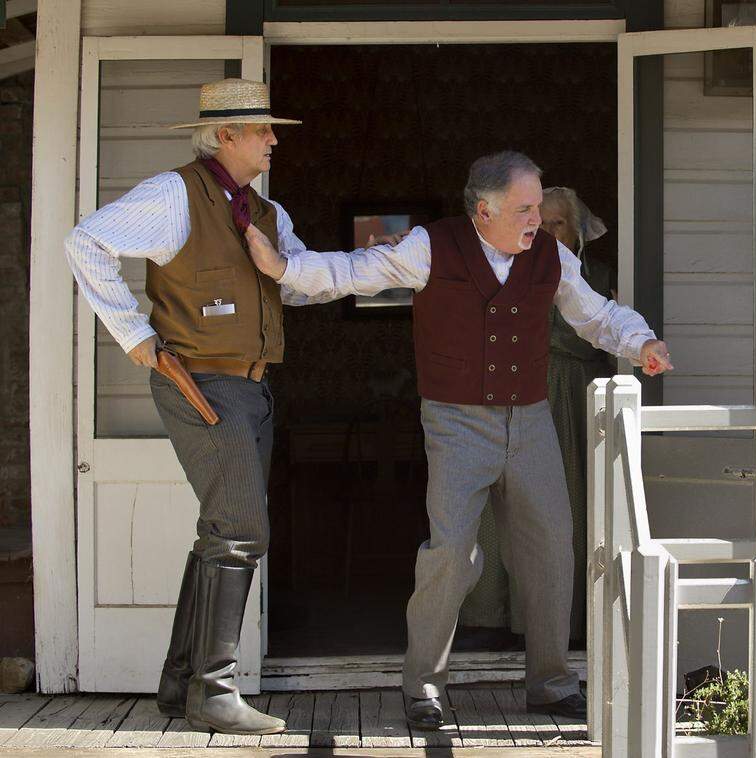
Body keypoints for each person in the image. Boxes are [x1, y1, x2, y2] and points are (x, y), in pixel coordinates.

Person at [242, 150, 673, 728]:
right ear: (484, 210)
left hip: (532, 419)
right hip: (455, 422)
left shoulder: (551, 256)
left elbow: (596, 316)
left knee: (552, 547)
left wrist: (640, 342)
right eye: (524, 209)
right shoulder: (430, 245)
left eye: (539, 209)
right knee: (450, 554)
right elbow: (351, 271)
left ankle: (549, 683)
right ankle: (423, 686)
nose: (535, 220)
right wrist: (283, 270)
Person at [64, 79, 337, 735]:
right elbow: (86, 240)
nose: (274, 139)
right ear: (225, 136)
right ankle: (213, 693)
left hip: (252, 387)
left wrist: (304, 269)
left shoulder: (268, 215)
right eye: (263, 129)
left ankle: (180, 681)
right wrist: (135, 336)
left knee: (224, 527)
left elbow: (298, 287)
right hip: (202, 384)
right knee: (242, 531)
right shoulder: (172, 194)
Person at [458, 186, 613, 647]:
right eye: (538, 224)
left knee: (560, 509)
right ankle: (492, 615)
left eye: (557, 224)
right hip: (508, 396)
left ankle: (563, 624)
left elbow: (598, 335)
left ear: (578, 232)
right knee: (496, 505)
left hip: (567, 398)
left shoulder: (598, 277)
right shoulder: (503, 273)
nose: (545, 232)